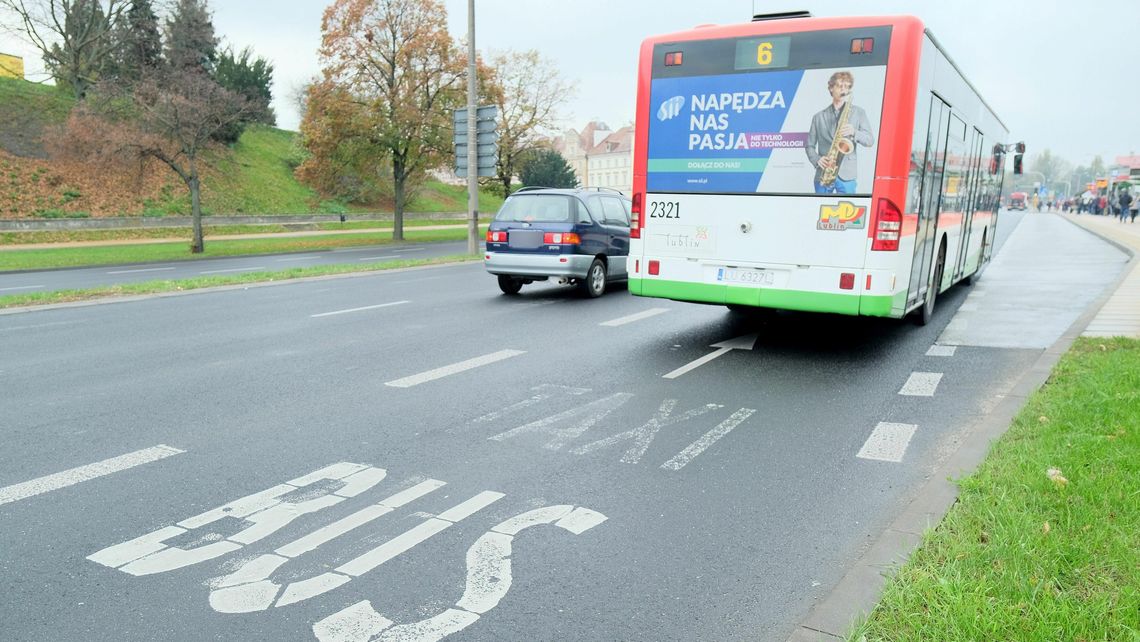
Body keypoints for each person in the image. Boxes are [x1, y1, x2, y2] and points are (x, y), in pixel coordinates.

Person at [806, 71, 875, 194]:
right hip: (824, 173)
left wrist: (854, 132)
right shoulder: (818, 117)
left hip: (847, 176)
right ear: (831, 88)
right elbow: (809, 145)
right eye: (839, 86)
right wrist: (817, 159)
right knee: (818, 209)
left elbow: (870, 140)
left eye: (847, 87)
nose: (844, 90)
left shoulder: (859, 113)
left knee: (846, 210)